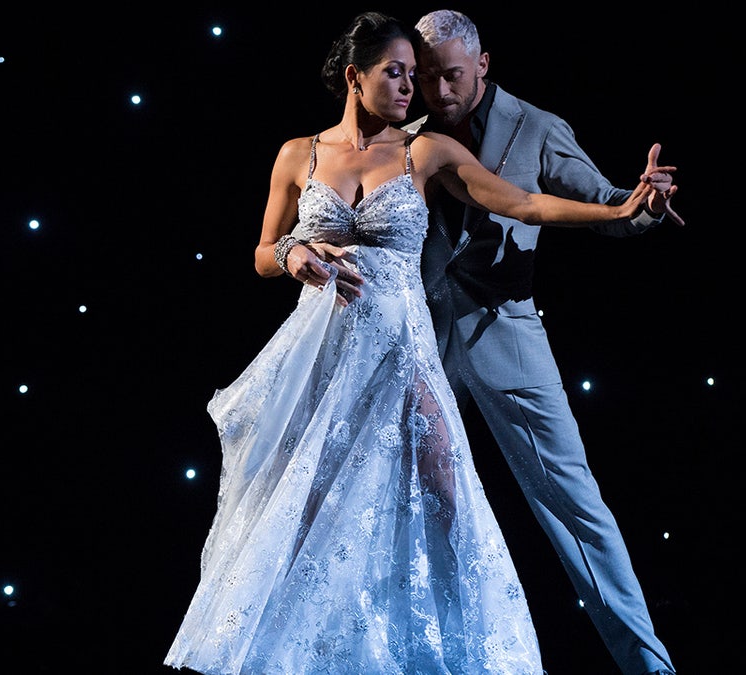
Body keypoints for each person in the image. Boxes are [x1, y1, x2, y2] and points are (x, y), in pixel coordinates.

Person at [164, 11, 671, 675]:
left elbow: (528, 204)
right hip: (348, 346)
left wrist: (623, 210)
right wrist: (294, 252)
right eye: (405, 74)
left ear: (482, 63)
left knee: (492, 496)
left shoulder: (462, 143)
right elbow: (265, 248)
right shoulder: (329, 147)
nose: (420, 89)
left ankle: (579, 659)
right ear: (358, 77)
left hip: (450, 340)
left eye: (429, 75)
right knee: (318, 501)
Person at [402, 9, 680, 675]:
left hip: (507, 334)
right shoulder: (400, 129)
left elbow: (607, 202)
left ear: (485, 64)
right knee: (401, 504)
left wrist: (639, 205)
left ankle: (648, 663)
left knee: (574, 503)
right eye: (430, 78)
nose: (441, 92)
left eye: (455, 78)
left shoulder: (538, 128)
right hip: (415, 340)